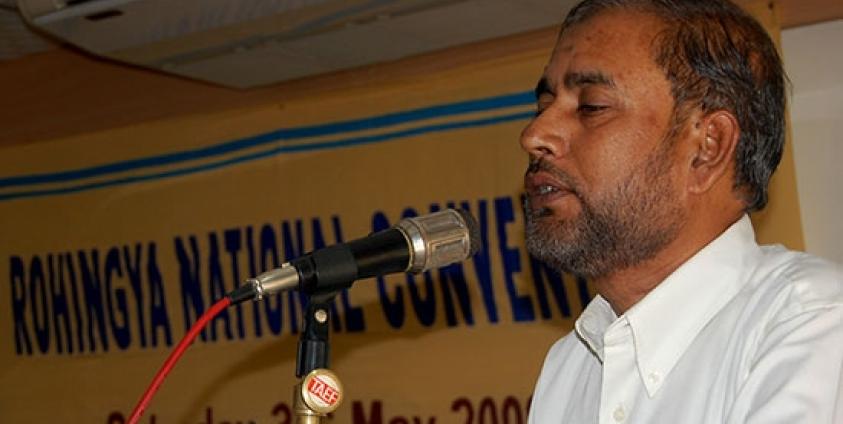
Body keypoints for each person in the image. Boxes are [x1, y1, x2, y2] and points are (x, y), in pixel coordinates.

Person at [520, 0, 843, 423]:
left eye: (592, 106)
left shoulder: (812, 323)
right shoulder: (570, 367)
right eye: (543, 106)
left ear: (708, 147)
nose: (535, 134)